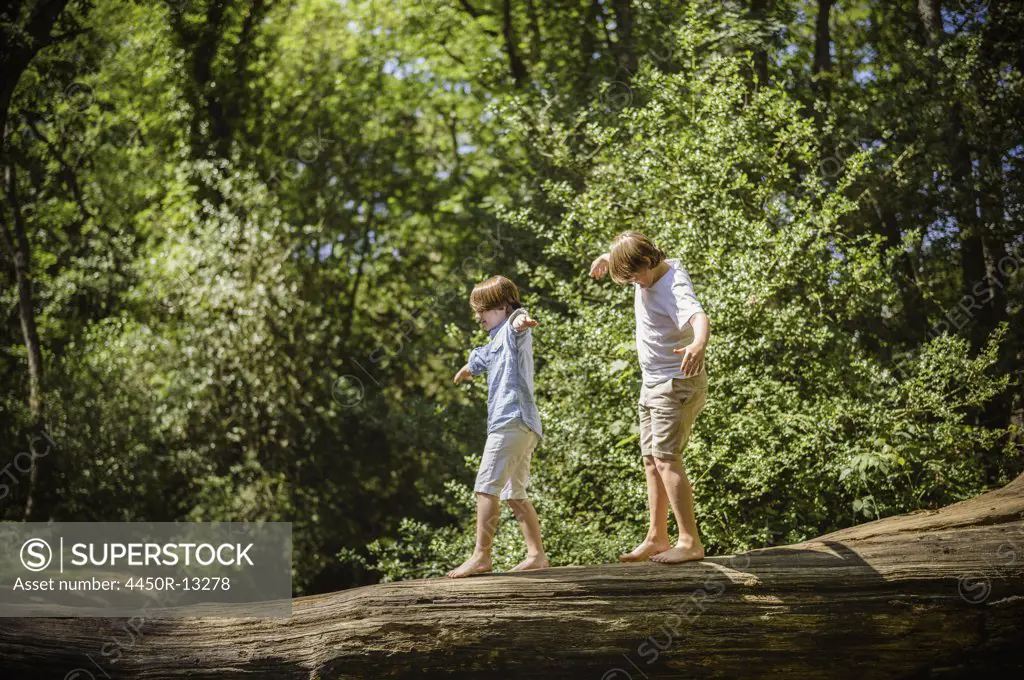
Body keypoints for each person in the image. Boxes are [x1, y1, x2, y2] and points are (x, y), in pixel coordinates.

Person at [590, 231, 710, 564]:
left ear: (647, 262)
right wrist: (607, 258)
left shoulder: (673, 286)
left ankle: (690, 542)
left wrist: (698, 344)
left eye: (634, 276)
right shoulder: (648, 269)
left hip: (677, 383)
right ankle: (658, 537)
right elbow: (629, 259)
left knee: (667, 458)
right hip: (653, 384)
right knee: (650, 459)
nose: (635, 284)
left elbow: (699, 316)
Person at [448, 275, 548, 578]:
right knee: (514, 494)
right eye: (476, 311)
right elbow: (482, 356)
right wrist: (468, 368)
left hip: (510, 421)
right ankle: (536, 555)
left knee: (485, 489)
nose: (478, 316)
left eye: (484, 310)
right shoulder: (494, 340)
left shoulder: (513, 326)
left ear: (503, 306)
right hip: (525, 426)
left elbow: (519, 319)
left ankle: (481, 556)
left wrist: (522, 321)